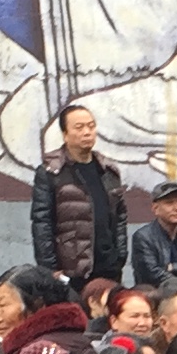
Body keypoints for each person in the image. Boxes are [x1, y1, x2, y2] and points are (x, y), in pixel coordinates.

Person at [28, 103, 128, 285]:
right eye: (79, 127)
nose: (87, 132)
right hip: (71, 273)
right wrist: (50, 271)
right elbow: (42, 224)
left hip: (108, 270)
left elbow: (120, 217)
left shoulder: (108, 171)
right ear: (65, 134)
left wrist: (120, 256)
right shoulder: (51, 172)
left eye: (91, 126)